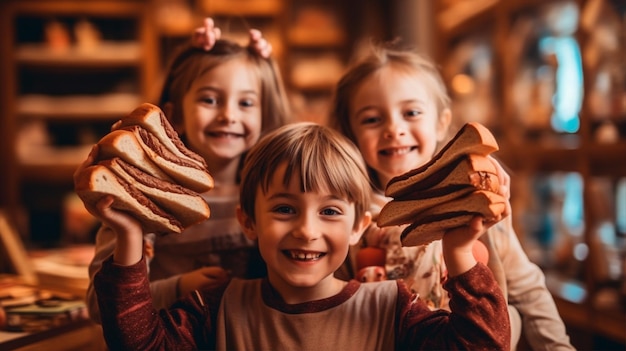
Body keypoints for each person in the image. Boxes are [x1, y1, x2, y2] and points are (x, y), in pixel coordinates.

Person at [84, 122, 510, 350]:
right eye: (285, 209)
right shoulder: (218, 308)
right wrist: (129, 235)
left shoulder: (391, 306)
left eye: (329, 211)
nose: (307, 230)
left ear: (359, 225)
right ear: (248, 221)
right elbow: (138, 344)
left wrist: (457, 251)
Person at [330, 42, 575, 350]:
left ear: (441, 122)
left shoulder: (476, 203)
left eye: (411, 112)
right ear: (351, 134)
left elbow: (526, 288)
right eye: (371, 119)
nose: (394, 128)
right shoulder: (347, 215)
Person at [84, 18, 290, 322]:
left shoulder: (275, 198)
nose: (228, 115)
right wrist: (180, 287)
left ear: (265, 117)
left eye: (246, 103)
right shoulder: (141, 198)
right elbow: (98, 307)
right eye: (209, 99)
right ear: (173, 116)